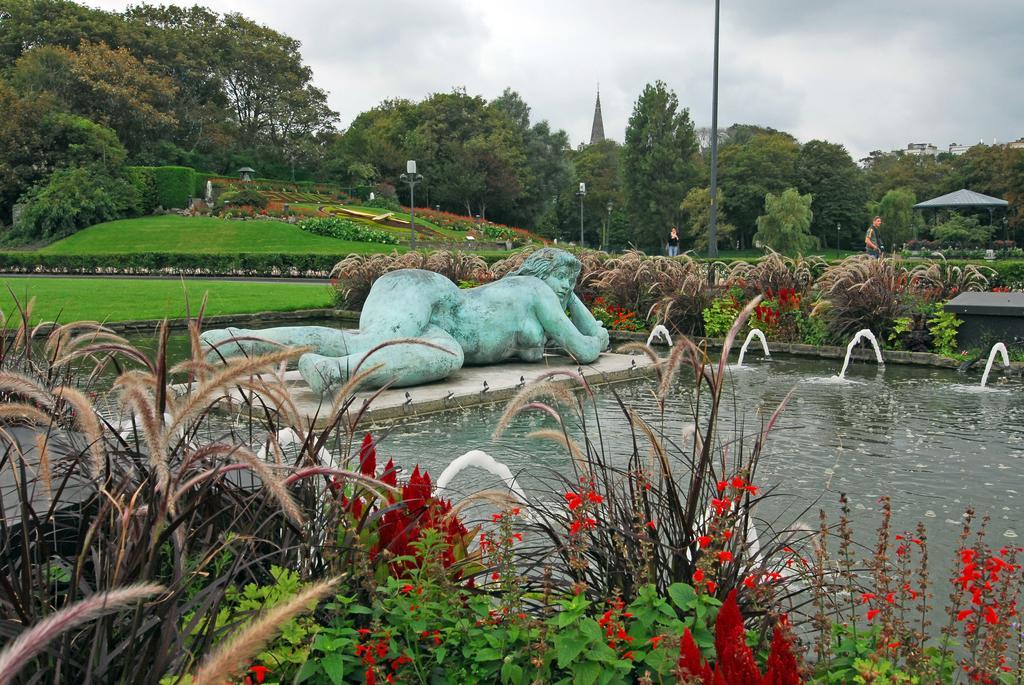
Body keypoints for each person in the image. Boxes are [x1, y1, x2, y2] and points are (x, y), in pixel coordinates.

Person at [201, 248, 610, 393]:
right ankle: (236, 342)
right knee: (366, 341)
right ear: (544, 273)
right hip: (429, 295)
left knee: (438, 356)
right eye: (564, 280)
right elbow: (585, 348)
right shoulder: (535, 291)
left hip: (441, 326)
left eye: (571, 285)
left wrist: (570, 291)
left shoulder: (531, 296)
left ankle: (325, 369)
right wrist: (577, 306)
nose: (566, 290)